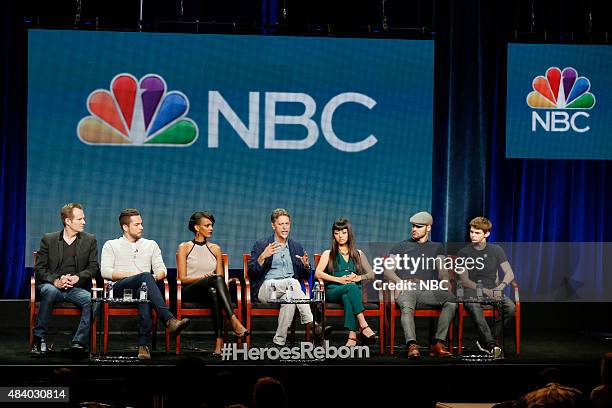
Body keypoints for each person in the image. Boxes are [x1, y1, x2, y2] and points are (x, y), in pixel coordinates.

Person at [101, 208, 189, 360]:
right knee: (144, 278)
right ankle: (169, 320)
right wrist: (139, 276)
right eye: (137, 224)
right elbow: (106, 272)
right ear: (125, 227)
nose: (141, 227)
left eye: (141, 224)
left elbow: (162, 270)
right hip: (120, 288)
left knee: (145, 291)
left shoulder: (151, 245)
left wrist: (152, 278)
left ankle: (143, 346)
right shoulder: (111, 245)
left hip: (143, 288)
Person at [384, 211, 456, 359]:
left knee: (451, 301)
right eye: (413, 226)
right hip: (407, 287)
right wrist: (399, 282)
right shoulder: (401, 246)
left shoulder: (437, 247)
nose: (414, 229)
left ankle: (438, 342)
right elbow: (388, 271)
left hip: (427, 288)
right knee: (406, 306)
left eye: (418, 226)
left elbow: (442, 270)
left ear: (428, 228)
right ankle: (412, 345)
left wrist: (445, 281)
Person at [176, 211, 249, 357]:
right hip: (190, 291)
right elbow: (182, 279)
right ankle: (233, 320)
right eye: (207, 225)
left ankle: (218, 343)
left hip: (209, 291)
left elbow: (220, 277)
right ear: (197, 228)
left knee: (214, 291)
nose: (211, 228)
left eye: (212, 225)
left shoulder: (215, 248)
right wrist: (203, 278)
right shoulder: (185, 247)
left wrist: (210, 279)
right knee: (214, 280)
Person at [32, 203, 99, 356]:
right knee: (48, 291)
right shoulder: (49, 239)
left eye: (84, 218)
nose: (84, 222)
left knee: (92, 300)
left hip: (75, 289)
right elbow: (40, 268)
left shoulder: (90, 240)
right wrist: (55, 280)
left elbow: (93, 267)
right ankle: (39, 337)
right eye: (80, 219)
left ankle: (78, 343)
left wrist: (77, 277)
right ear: (68, 221)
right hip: (53, 286)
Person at [248, 208, 321, 346]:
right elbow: (251, 273)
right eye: (281, 224)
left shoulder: (296, 247)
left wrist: (306, 266)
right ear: (273, 225)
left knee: (290, 300)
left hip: (289, 290)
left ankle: (279, 341)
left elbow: (304, 276)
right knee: (292, 283)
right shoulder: (262, 244)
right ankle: (311, 322)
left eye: (287, 224)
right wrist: (263, 256)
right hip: (267, 288)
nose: (284, 227)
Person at [456, 216, 516, 358]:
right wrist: (485, 291)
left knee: (511, 307)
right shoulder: (463, 253)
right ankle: (491, 344)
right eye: (471, 232)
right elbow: (464, 280)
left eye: (477, 233)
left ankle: (487, 339)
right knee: (474, 306)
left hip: (493, 289)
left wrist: (500, 288)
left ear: (486, 234)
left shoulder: (496, 250)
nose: (473, 235)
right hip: (472, 290)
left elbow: (509, 273)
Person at [314, 218, 378, 346]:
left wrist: (359, 278)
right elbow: (318, 273)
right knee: (350, 288)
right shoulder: (329, 253)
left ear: (349, 233)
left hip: (352, 291)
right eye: (337, 233)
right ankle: (363, 325)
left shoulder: (358, 253)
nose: (340, 236)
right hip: (334, 290)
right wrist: (338, 279)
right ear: (333, 235)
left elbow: (372, 274)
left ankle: (352, 336)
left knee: (348, 295)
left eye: (343, 232)